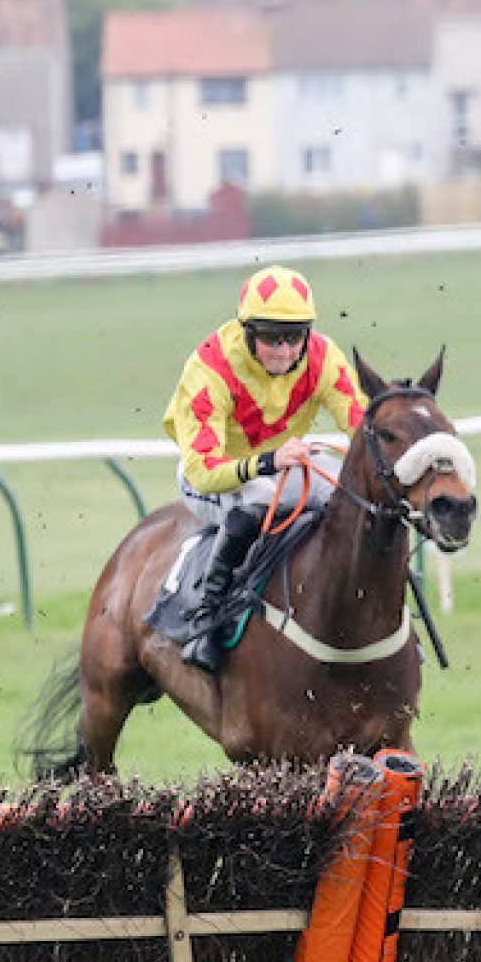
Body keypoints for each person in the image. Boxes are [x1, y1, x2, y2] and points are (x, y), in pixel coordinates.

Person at [162, 264, 367, 670]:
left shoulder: (323, 358)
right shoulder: (209, 369)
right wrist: (270, 461)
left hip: (285, 465)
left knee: (350, 496)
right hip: (214, 474)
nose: (285, 350)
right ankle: (206, 618)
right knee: (256, 499)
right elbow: (204, 470)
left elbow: (362, 424)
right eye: (272, 338)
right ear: (247, 331)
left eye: (294, 337)